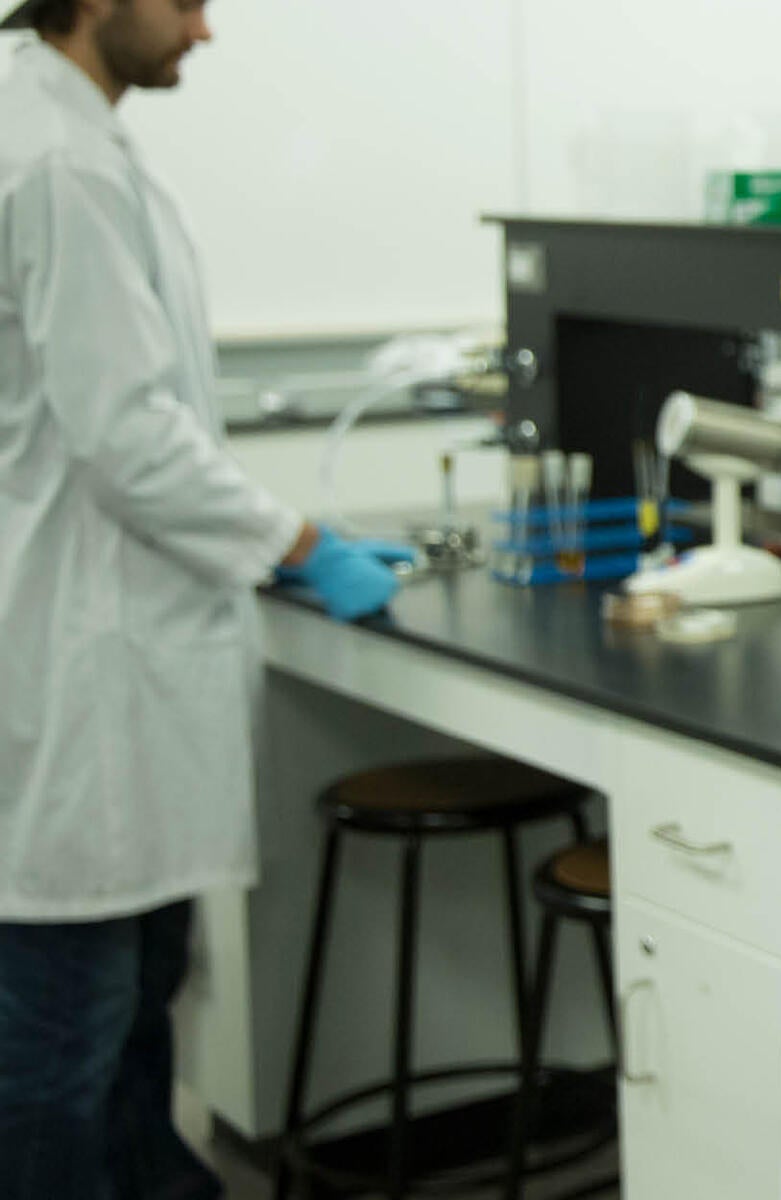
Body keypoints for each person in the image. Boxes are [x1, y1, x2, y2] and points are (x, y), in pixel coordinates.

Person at [0, 0, 408, 1191]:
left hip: (102, 653)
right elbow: (128, 437)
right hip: (79, 669)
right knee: (64, 1047)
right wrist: (300, 540)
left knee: (124, 1026)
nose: (206, 31)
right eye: (184, 3)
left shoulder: (66, 132)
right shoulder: (58, 160)